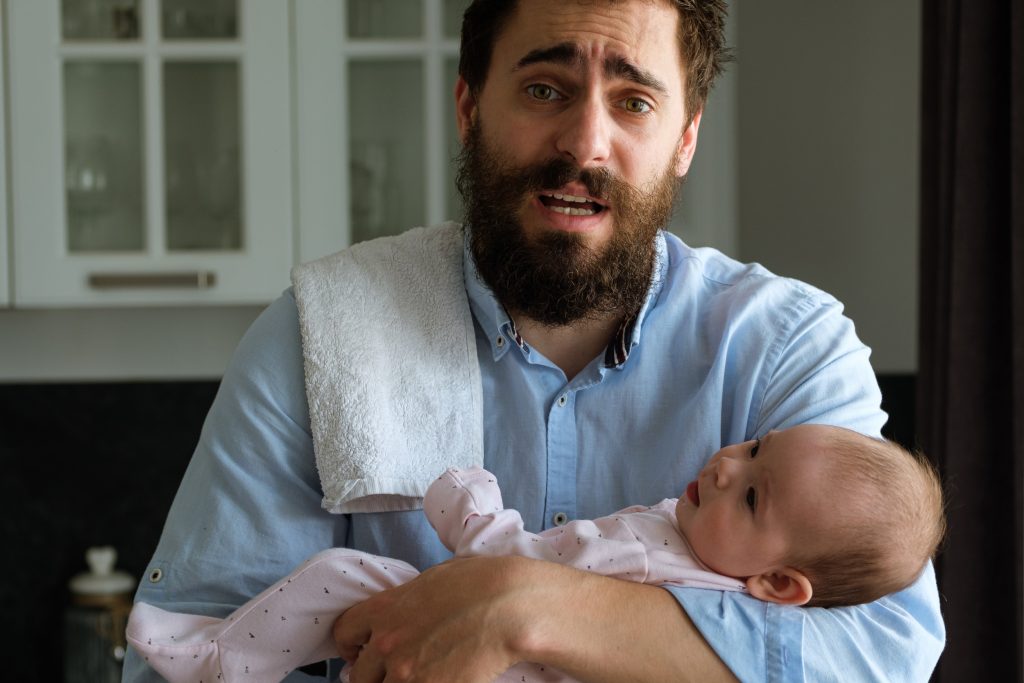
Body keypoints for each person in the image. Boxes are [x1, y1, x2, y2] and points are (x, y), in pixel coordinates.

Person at [123, 0, 946, 681]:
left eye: (633, 102)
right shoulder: (317, 339)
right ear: (469, 106)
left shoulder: (788, 347)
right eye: (546, 89)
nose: (585, 145)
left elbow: (881, 652)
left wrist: (525, 606)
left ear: (685, 139)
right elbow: (189, 654)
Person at [126, 425, 945, 683]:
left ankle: (219, 662)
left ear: (776, 582)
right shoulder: (690, 538)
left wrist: (470, 511)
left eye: (754, 495)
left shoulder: (667, 573)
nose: (728, 465)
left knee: (344, 578)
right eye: (757, 446)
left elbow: (522, 574)